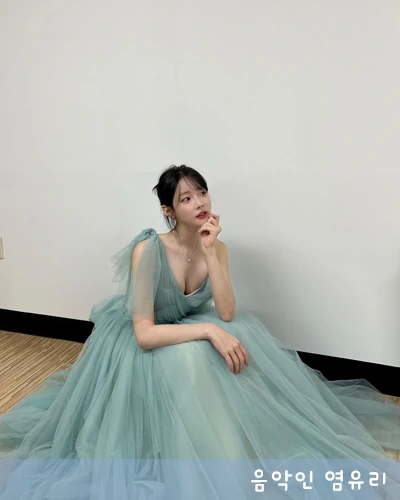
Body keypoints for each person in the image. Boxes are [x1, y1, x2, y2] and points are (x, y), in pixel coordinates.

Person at [1, 164, 400, 500]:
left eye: (202, 193)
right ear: (169, 210)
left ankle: (237, 451)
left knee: (241, 335)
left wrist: (210, 252)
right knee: (195, 355)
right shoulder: (148, 250)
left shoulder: (216, 246)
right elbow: (144, 333)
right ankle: (209, 465)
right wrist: (208, 330)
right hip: (142, 336)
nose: (199, 203)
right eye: (186, 198)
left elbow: (226, 312)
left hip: (187, 324)